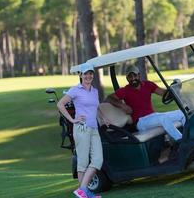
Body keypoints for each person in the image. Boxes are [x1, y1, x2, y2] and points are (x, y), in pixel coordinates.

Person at [57, 63, 103, 198]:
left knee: (98, 160)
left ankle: (82, 189)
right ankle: (84, 193)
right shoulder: (75, 90)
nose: (88, 76)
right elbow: (60, 104)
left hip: (94, 128)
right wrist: (72, 120)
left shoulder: (94, 91)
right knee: (82, 162)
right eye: (86, 73)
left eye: (91, 73)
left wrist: (104, 119)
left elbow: (97, 107)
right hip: (82, 128)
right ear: (81, 75)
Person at [106, 65, 185, 142]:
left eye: (135, 76)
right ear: (127, 78)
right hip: (140, 122)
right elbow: (109, 98)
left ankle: (189, 136)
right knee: (163, 118)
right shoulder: (124, 90)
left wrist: (174, 89)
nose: (133, 79)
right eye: (130, 77)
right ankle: (181, 141)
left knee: (182, 113)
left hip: (153, 116)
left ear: (139, 75)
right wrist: (122, 106)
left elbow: (163, 93)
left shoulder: (147, 85)